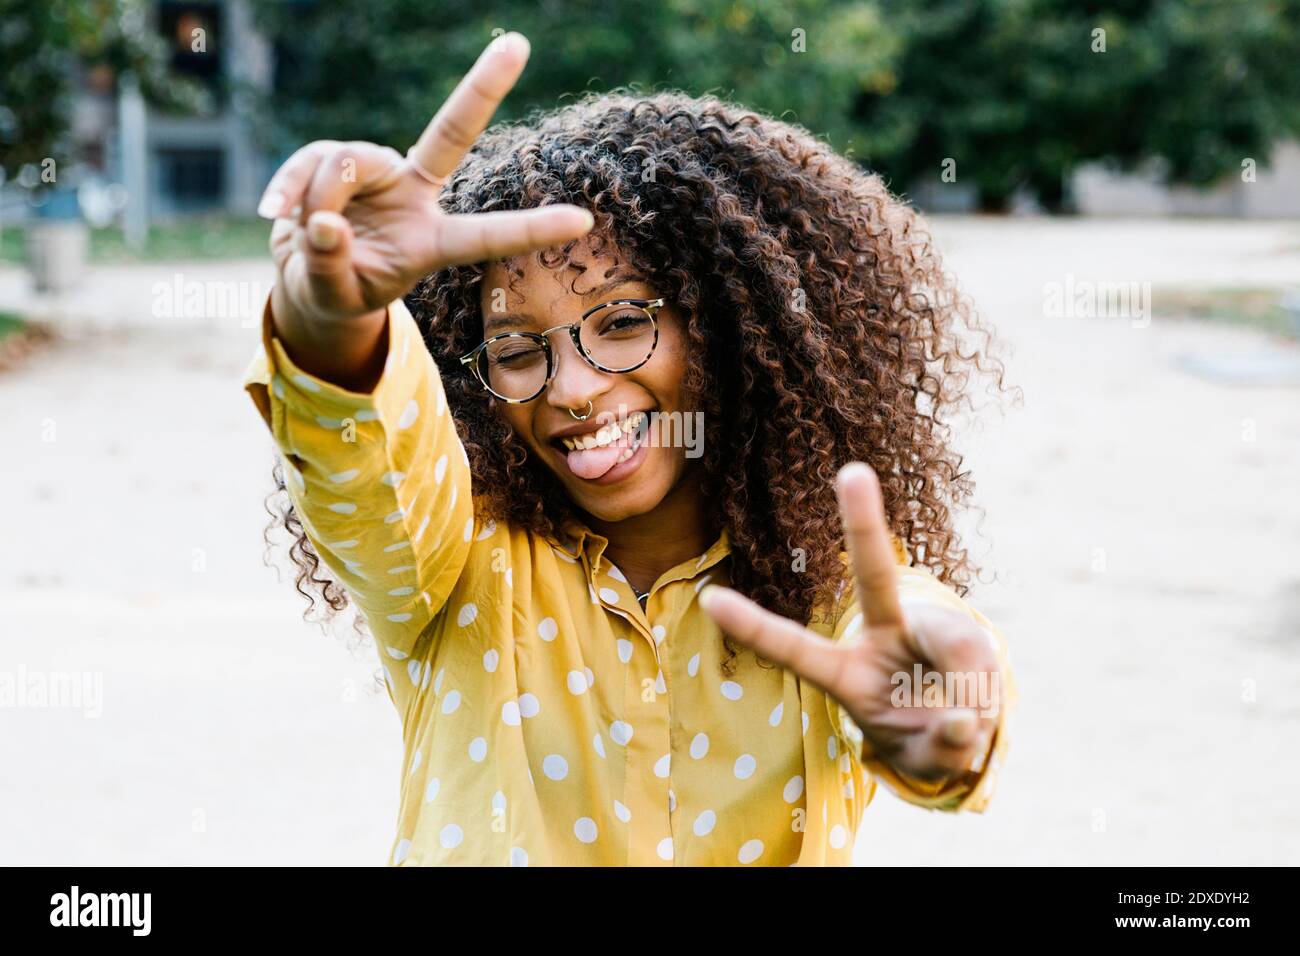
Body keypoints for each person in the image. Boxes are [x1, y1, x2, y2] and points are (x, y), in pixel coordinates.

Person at [245, 31, 1016, 866]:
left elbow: (915, 654)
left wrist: (940, 707)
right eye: (514, 351)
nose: (571, 389)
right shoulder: (453, 563)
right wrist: (336, 321)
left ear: (726, 329)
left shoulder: (827, 589)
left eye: (622, 324)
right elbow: (369, 477)